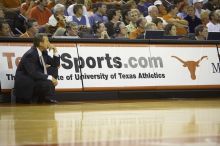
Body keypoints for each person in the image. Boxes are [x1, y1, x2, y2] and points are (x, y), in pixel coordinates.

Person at [14, 33, 60, 104]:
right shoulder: (31, 54)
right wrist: (50, 77)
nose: (49, 43)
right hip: (26, 82)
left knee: (53, 69)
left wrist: (55, 51)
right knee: (48, 81)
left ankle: (46, 98)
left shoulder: (43, 52)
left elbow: (56, 64)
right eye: (47, 41)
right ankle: (46, 98)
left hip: (35, 79)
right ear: (41, 43)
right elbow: (33, 73)